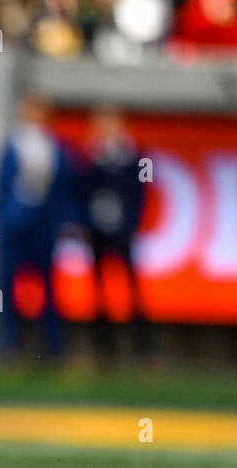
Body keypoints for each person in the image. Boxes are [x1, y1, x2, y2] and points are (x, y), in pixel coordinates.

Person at [0, 93, 72, 362]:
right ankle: (9, 350)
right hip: (15, 226)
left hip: (44, 227)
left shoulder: (56, 148)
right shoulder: (13, 146)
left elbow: (62, 191)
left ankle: (54, 350)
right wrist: (5, 220)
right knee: (6, 289)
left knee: (49, 289)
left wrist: (59, 222)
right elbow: (2, 188)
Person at [82, 106, 151, 367]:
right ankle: (104, 350)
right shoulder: (92, 157)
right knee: (99, 292)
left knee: (132, 291)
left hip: (122, 232)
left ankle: (143, 350)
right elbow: (84, 193)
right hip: (98, 232)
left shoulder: (133, 157)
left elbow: (140, 193)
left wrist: (131, 224)